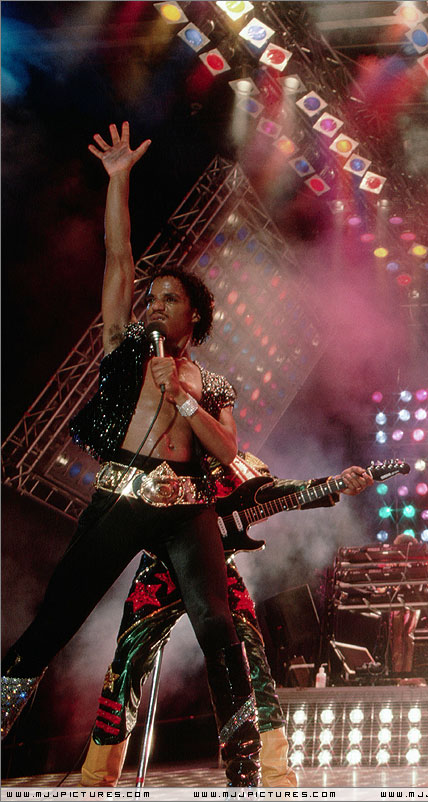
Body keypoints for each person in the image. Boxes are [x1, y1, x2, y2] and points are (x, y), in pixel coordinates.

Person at [1, 123, 261, 785]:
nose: (156, 304)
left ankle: (244, 759)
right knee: (57, 617)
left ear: (195, 315)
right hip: (122, 494)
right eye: (153, 297)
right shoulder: (125, 350)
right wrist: (119, 181)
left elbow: (229, 452)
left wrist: (184, 402)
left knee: (217, 623)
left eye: (170, 299)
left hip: (188, 507)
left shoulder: (212, 384)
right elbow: (118, 259)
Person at [81, 454, 376, 787]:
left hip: (218, 569)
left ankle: (274, 778)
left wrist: (332, 484)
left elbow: (273, 491)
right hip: (161, 571)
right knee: (127, 666)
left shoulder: (236, 461)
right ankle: (96, 781)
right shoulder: (168, 451)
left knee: (253, 665)